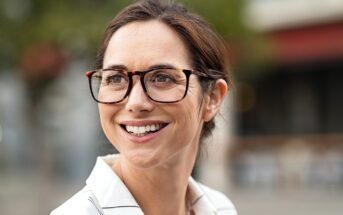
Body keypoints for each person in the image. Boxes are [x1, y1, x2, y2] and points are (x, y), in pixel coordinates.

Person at [51, 0, 237, 214]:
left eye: (161, 77)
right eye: (116, 78)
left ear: (212, 98)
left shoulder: (221, 208)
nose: (135, 102)